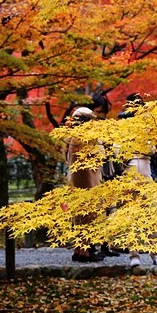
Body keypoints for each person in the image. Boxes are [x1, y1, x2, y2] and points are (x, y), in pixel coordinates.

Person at [117, 95, 157, 268]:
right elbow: (118, 154)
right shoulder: (120, 131)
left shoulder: (147, 130)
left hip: (145, 174)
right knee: (132, 216)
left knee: (151, 215)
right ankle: (134, 255)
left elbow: (152, 150)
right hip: (129, 175)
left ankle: (155, 254)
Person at [66, 107, 104, 262]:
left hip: (75, 179)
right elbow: (100, 155)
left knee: (77, 215)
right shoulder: (87, 138)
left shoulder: (71, 138)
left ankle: (78, 249)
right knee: (88, 214)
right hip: (88, 179)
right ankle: (86, 251)